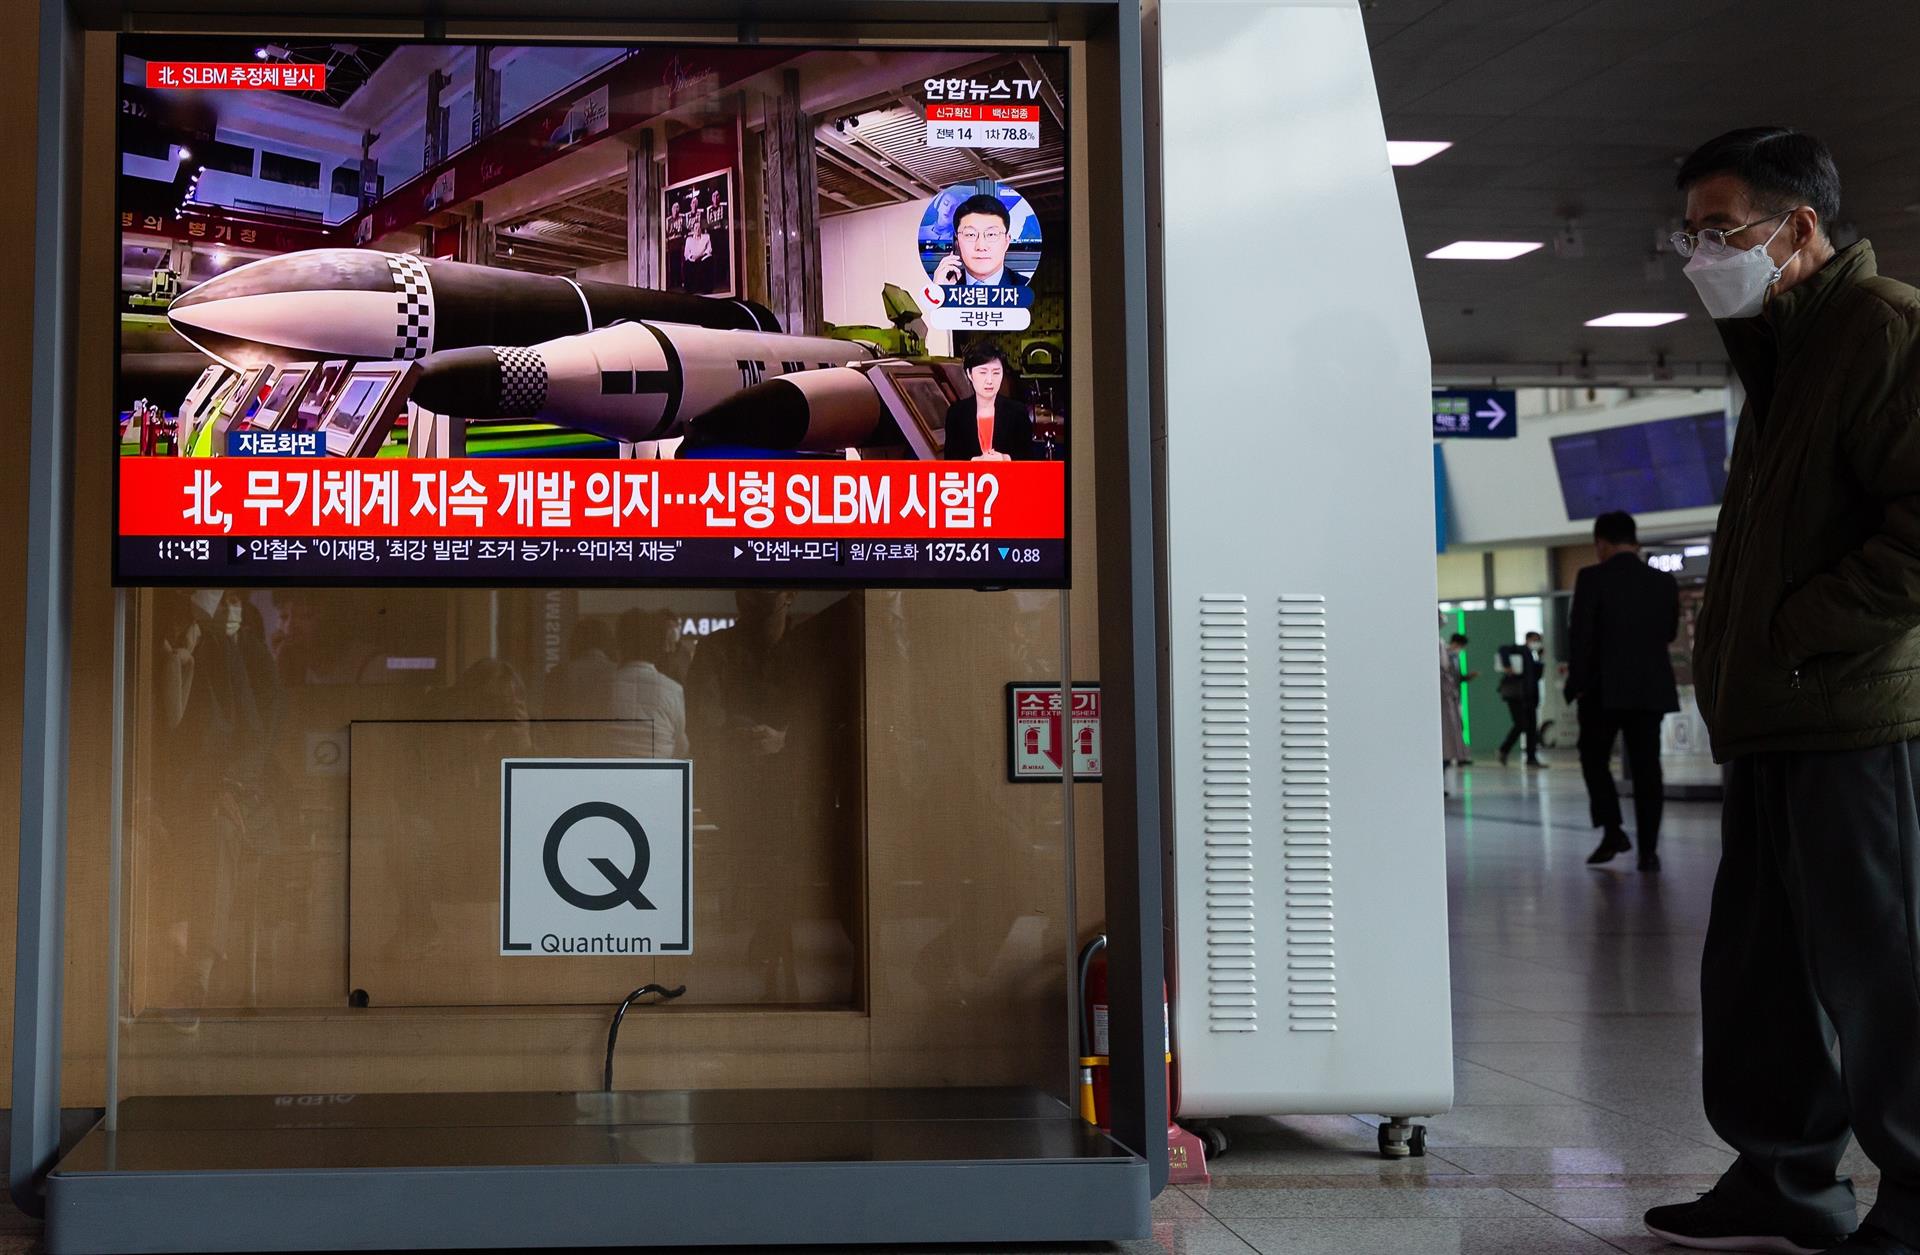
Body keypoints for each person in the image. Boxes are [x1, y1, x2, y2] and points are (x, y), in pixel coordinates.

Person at [1643, 127, 1920, 1255]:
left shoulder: (1884, 329)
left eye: (1722, 231)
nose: (1703, 255)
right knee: (1762, 971)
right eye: (1691, 237)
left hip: (1857, 715)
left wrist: (1796, 633)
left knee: (1888, 971)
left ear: (1800, 226)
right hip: (1774, 715)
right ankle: (1783, 1176)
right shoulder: (1782, 352)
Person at [1566, 511, 1678, 870]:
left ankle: (1613, 830)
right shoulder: (1663, 582)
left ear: (1601, 543)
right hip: (1649, 689)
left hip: (1603, 690)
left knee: (1593, 758)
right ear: (1635, 540)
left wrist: (1577, 684)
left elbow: (1580, 636)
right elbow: (1669, 632)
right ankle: (1649, 851)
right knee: (1648, 770)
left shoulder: (1591, 578)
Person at [611, 609, 688, 759]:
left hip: (608, 772)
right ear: (658, 645)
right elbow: (681, 747)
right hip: (657, 772)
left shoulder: (601, 686)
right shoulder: (674, 690)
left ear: (619, 644)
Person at [943, 345, 1037, 461]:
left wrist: (1005, 458)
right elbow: (950, 458)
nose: (990, 380)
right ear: (969, 374)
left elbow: (1028, 456)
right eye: (983, 373)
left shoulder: (1017, 411)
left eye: (996, 373)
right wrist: (975, 461)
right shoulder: (956, 413)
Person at [930, 193, 1029, 289]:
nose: (981, 247)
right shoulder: (941, 283)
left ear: (1006, 241)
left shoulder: (1026, 286)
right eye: (971, 235)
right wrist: (939, 293)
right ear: (957, 242)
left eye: (991, 234)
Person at [1496, 631, 1546, 768]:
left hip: (1530, 696)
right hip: (1517, 695)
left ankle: (1531, 757)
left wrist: (1540, 659)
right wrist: (1507, 665)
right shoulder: (1520, 650)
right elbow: (1503, 649)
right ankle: (1504, 749)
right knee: (1521, 724)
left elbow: (1537, 677)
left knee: (1531, 727)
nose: (1537, 642)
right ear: (1528, 639)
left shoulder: (1532, 656)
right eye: (1535, 639)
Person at [1439, 633, 1473, 768]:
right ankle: (1451, 757)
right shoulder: (1445, 654)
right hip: (1447, 697)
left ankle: (1459, 756)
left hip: (1453, 696)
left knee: (1458, 726)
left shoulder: (1454, 657)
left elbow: (1455, 677)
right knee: (1451, 727)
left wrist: (1465, 678)